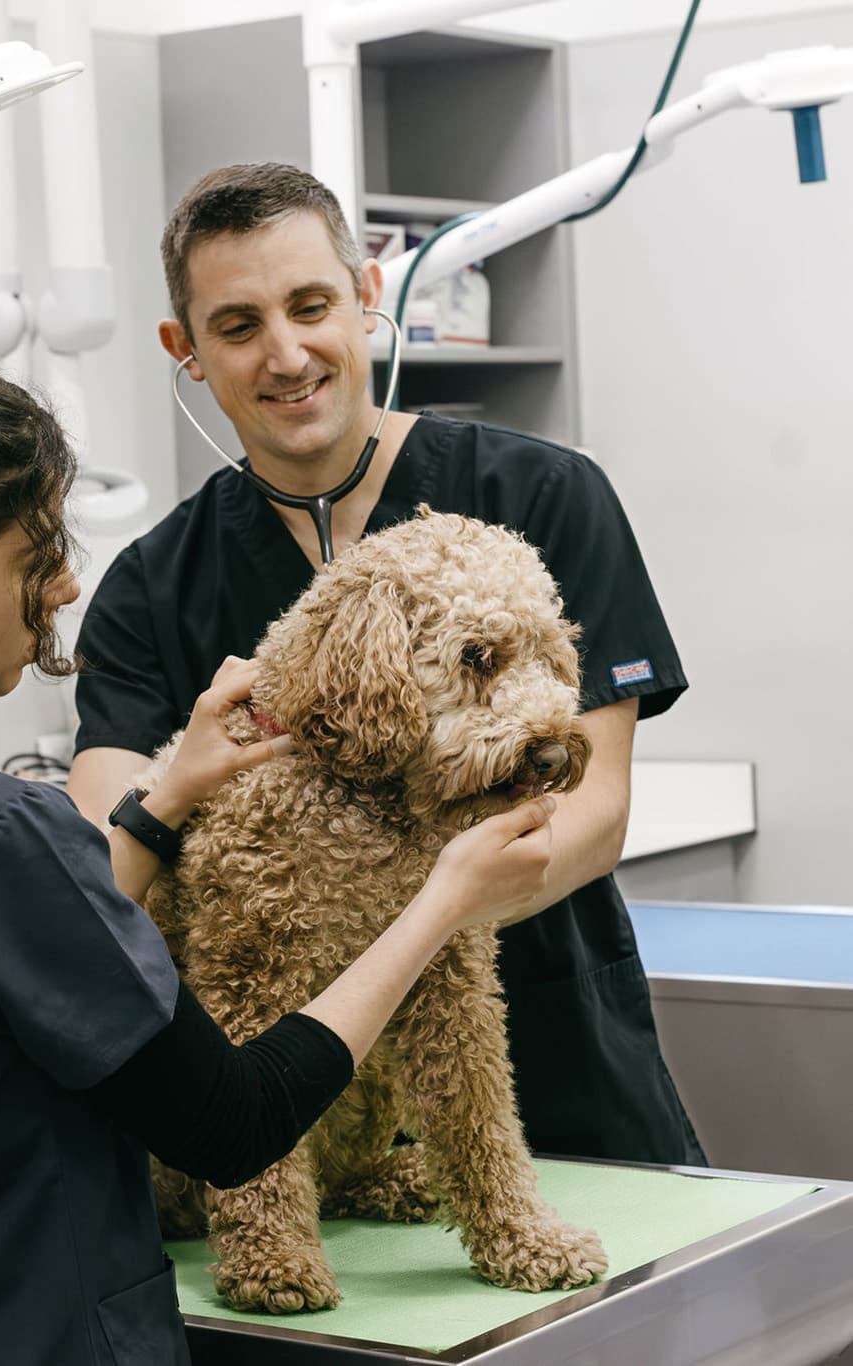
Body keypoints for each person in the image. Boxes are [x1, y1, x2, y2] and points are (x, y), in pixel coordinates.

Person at [0, 281, 561, 1366]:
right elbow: (231, 1121)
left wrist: (165, 794)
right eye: (30, 556)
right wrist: (444, 902)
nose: (62, 586)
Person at [67, 162, 707, 1169]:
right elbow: (104, 863)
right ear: (184, 351)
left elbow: (595, 808)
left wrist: (424, 908)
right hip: (294, 1119)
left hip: (553, 1071)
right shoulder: (152, 589)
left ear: (367, 296)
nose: (286, 354)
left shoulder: (543, 497)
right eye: (236, 327)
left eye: (311, 305)